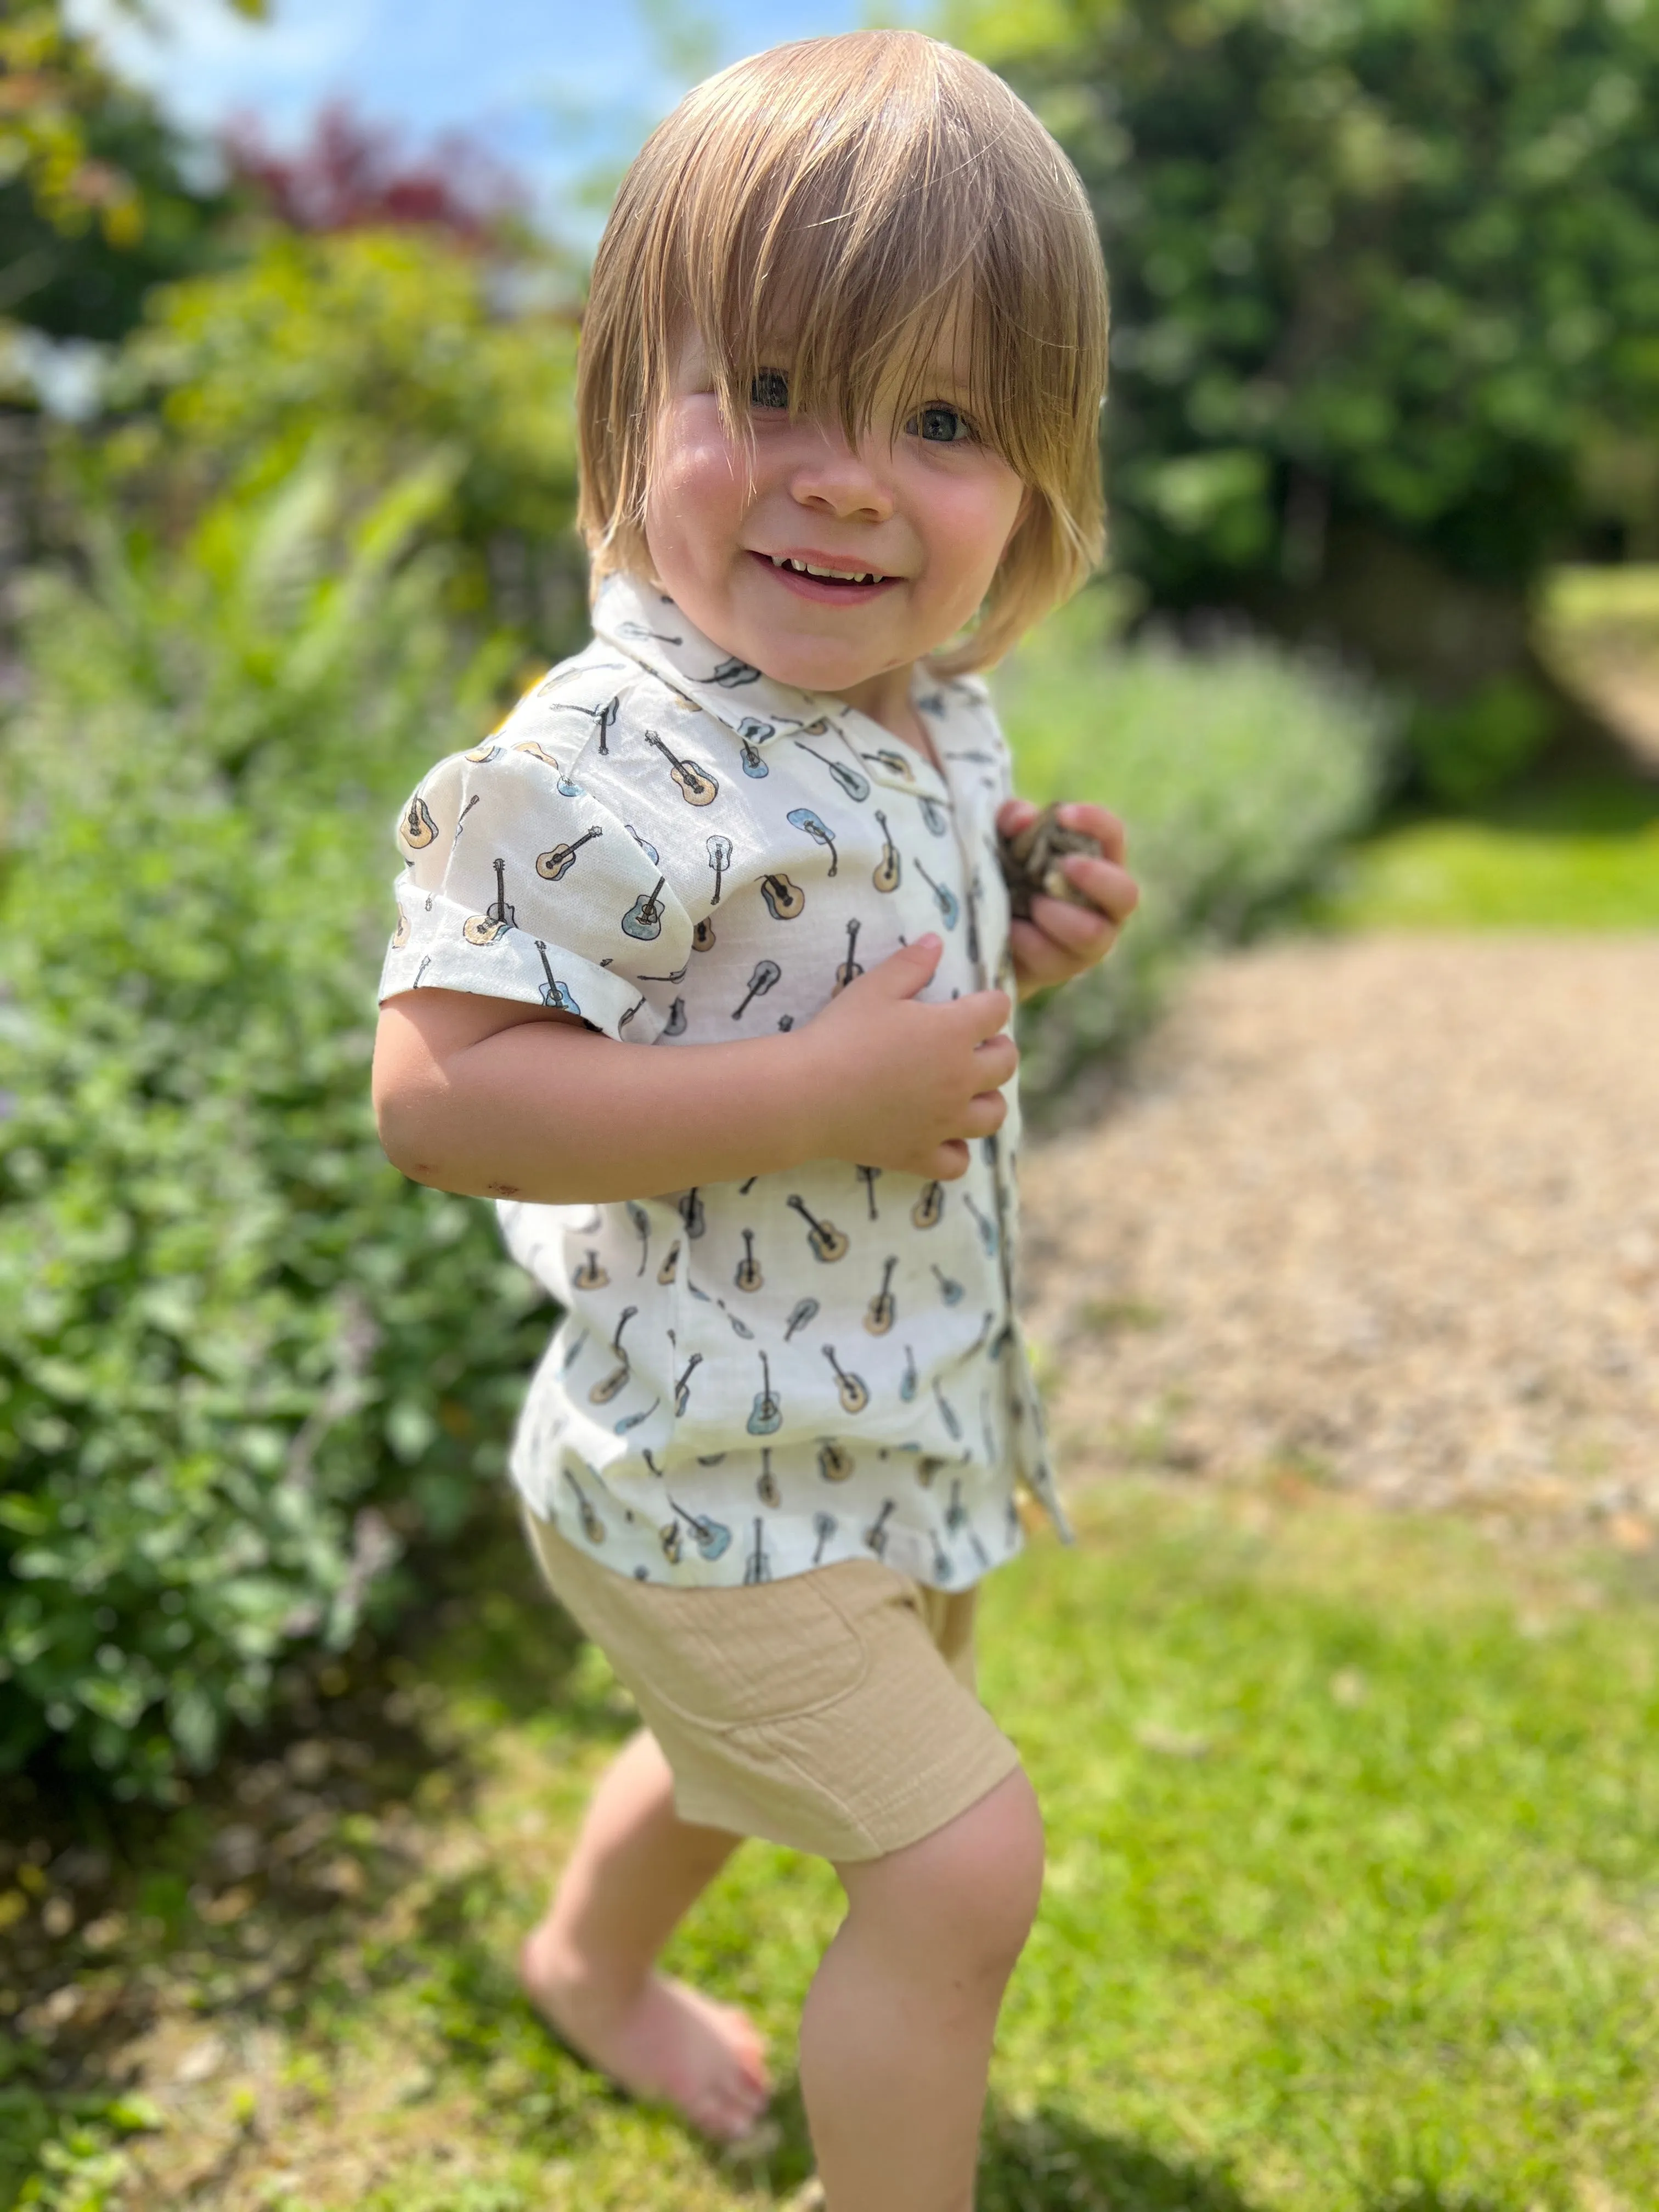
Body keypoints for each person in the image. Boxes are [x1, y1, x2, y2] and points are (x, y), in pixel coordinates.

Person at [371, 29, 1137, 2212]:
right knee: (960, 1861)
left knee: (742, 1773)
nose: (849, 477)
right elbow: (436, 1095)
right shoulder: (604, 756)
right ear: (631, 401)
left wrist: (1026, 930)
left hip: (888, 1438)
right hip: (698, 1460)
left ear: (1038, 477)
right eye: (776, 389)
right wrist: (826, 1091)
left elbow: (886, 962)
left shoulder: (923, 697)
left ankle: (584, 1965)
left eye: (945, 419)